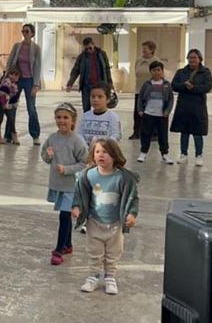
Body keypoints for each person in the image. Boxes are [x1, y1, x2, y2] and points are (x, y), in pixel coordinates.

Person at [72, 138, 139, 295]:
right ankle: (93, 276)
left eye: (105, 152)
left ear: (115, 155)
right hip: (94, 222)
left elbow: (132, 198)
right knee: (94, 251)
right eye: (97, 152)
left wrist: (131, 214)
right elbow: (80, 193)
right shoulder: (88, 175)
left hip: (115, 224)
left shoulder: (124, 178)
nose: (101, 155)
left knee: (113, 253)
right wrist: (77, 207)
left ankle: (110, 277)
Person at [41, 102, 88, 266]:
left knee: (64, 216)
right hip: (57, 184)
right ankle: (68, 245)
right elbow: (45, 157)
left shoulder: (77, 140)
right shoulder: (52, 138)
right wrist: (48, 156)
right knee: (65, 214)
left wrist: (67, 169)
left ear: (73, 121)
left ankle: (59, 249)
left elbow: (85, 162)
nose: (62, 121)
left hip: (71, 186)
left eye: (66, 118)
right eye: (58, 117)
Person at [170, 49, 212, 166]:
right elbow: (174, 85)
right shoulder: (181, 72)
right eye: (190, 58)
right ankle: (183, 154)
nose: (192, 60)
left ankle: (199, 155)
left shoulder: (205, 72)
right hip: (183, 106)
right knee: (184, 132)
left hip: (198, 106)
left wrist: (193, 88)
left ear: (200, 59)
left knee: (197, 132)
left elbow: (208, 87)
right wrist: (184, 86)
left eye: (194, 57)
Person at [5, 24, 42, 145]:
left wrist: (36, 85)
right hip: (17, 80)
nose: (24, 33)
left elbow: (37, 67)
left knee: (31, 108)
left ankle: (35, 135)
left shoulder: (36, 48)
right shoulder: (17, 46)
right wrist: (7, 78)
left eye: (27, 31)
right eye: (23, 31)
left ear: (32, 33)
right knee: (12, 107)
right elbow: (10, 61)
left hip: (30, 80)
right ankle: (9, 135)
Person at [137, 61, 174, 165]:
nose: (156, 72)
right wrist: (140, 110)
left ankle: (165, 154)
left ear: (162, 71)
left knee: (163, 135)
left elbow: (171, 99)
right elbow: (140, 98)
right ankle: (143, 153)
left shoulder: (166, 85)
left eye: (158, 70)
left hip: (162, 115)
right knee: (145, 134)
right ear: (150, 72)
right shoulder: (147, 84)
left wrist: (167, 111)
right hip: (148, 113)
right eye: (154, 70)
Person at [65, 37, 113, 113]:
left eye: (90, 48)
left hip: (99, 85)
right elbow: (75, 70)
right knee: (86, 107)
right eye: (86, 49)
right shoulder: (82, 56)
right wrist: (70, 84)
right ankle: (87, 122)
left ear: (93, 45)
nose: (88, 50)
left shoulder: (102, 54)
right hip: (86, 85)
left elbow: (107, 69)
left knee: (100, 106)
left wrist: (110, 83)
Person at [131, 41, 160, 140]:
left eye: (145, 48)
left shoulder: (156, 61)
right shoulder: (138, 60)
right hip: (139, 90)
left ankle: (154, 133)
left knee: (151, 112)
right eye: (142, 48)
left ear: (151, 50)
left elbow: (159, 76)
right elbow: (136, 72)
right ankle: (136, 132)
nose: (143, 50)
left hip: (152, 91)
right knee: (138, 112)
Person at [79, 82, 122, 146]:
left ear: (107, 99)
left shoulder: (113, 117)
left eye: (100, 97)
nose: (95, 100)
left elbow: (116, 136)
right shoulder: (85, 116)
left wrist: (102, 146)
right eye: (93, 97)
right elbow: (79, 134)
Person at [0, 68, 21, 145]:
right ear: (9, 75)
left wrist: (11, 104)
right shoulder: (6, 83)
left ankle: (14, 136)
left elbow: (13, 96)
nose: (15, 77)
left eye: (17, 75)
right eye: (13, 74)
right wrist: (4, 105)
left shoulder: (14, 85)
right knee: (0, 118)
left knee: (11, 118)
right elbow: (2, 94)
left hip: (6, 103)